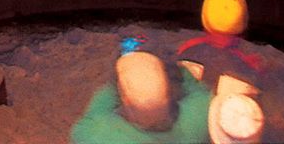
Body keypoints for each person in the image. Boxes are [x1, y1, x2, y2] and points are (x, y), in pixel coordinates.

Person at [70, 45, 212, 143]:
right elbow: (195, 87)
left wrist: (116, 83)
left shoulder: (93, 134)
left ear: (125, 100)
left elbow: (95, 112)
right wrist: (174, 71)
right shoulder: (202, 113)